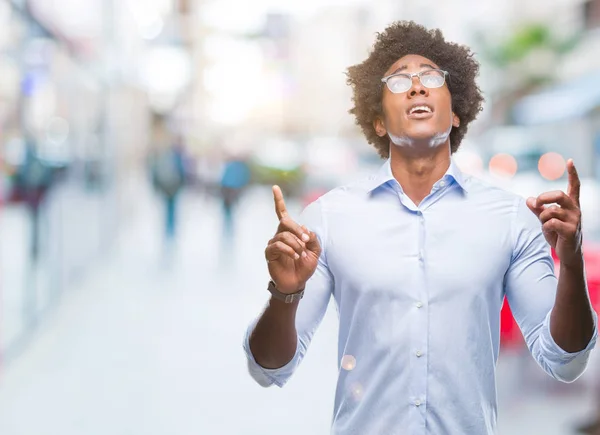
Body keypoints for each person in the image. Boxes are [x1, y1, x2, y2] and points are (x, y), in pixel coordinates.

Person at [242, 21, 598, 434]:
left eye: (431, 76)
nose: (416, 86)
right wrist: (285, 294)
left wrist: (570, 263)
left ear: (456, 110)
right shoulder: (329, 219)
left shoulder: (511, 218)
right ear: (378, 121)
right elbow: (267, 369)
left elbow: (566, 360)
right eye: (398, 80)